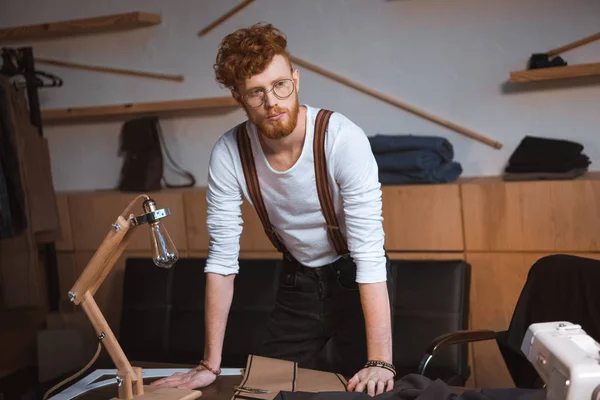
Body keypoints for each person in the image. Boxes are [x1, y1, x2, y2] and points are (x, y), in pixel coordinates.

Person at [151, 22, 395, 397]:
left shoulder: (341, 139)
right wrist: (208, 364)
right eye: (256, 92)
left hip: (357, 277)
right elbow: (222, 261)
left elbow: (369, 254)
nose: (273, 102)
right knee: (265, 392)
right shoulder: (229, 153)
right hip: (297, 283)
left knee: (369, 390)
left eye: (280, 85)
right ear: (239, 97)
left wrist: (379, 361)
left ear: (296, 80)